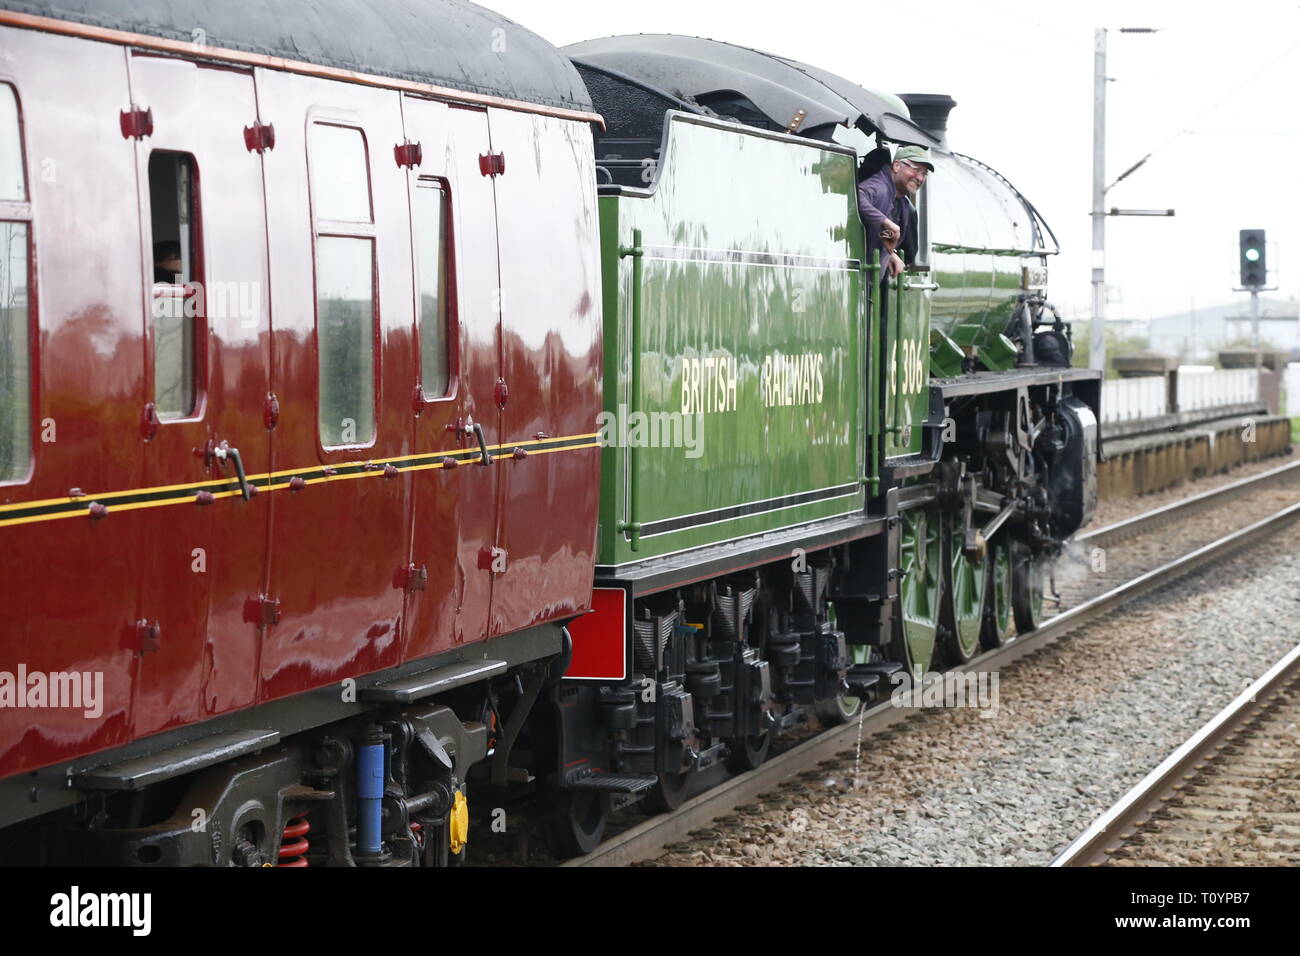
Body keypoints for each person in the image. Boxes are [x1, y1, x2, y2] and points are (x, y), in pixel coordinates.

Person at [856, 145, 934, 277]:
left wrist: (891, 254)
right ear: (897, 166)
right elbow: (855, 196)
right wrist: (886, 222)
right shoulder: (879, 187)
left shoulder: (901, 201)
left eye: (924, 174)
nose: (920, 178)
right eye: (916, 169)